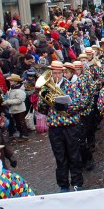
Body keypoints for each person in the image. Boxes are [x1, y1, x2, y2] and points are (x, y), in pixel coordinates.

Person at [35, 60, 85, 192]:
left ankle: (77, 183)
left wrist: (65, 107)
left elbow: (81, 103)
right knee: (60, 157)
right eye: (53, 73)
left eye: (58, 73)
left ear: (63, 72)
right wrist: (45, 102)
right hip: (55, 127)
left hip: (70, 126)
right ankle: (63, 185)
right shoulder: (46, 89)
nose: (56, 75)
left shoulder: (71, 86)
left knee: (74, 156)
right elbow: (41, 109)